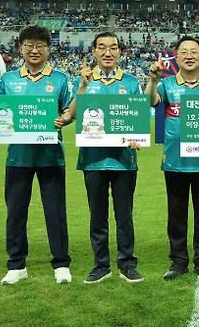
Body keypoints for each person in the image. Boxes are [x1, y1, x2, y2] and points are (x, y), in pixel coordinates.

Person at [0, 25, 72, 285]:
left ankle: (61, 263)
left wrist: (63, 119)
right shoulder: (7, 80)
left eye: (40, 46)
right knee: (16, 212)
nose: (35, 50)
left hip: (51, 156)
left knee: (55, 212)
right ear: (20, 48)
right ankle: (16, 265)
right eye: (29, 45)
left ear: (48, 49)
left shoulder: (60, 79)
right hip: (18, 158)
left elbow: (69, 111)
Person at [66, 32, 143, 284]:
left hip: (124, 161)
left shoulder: (131, 82)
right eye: (102, 48)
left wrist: (137, 137)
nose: (108, 52)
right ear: (95, 52)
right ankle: (101, 265)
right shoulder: (85, 80)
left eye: (113, 48)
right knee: (97, 215)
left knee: (124, 216)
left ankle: (127, 263)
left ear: (120, 51)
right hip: (93, 159)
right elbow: (73, 114)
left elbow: (138, 118)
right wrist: (83, 87)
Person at [145, 36, 199, 280]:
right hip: (174, 162)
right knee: (176, 215)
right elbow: (150, 101)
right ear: (176, 57)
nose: (189, 56)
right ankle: (178, 261)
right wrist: (153, 79)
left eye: (194, 52)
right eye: (184, 52)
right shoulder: (167, 85)